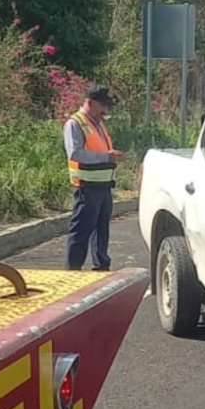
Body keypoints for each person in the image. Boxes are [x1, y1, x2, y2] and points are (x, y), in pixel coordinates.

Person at [64, 85, 124, 271]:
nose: (105, 110)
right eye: (103, 105)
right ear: (90, 102)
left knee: (101, 231)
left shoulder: (98, 124)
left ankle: (101, 268)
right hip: (86, 188)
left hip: (104, 186)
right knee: (81, 231)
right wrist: (107, 157)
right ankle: (73, 271)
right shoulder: (75, 123)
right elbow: (75, 154)